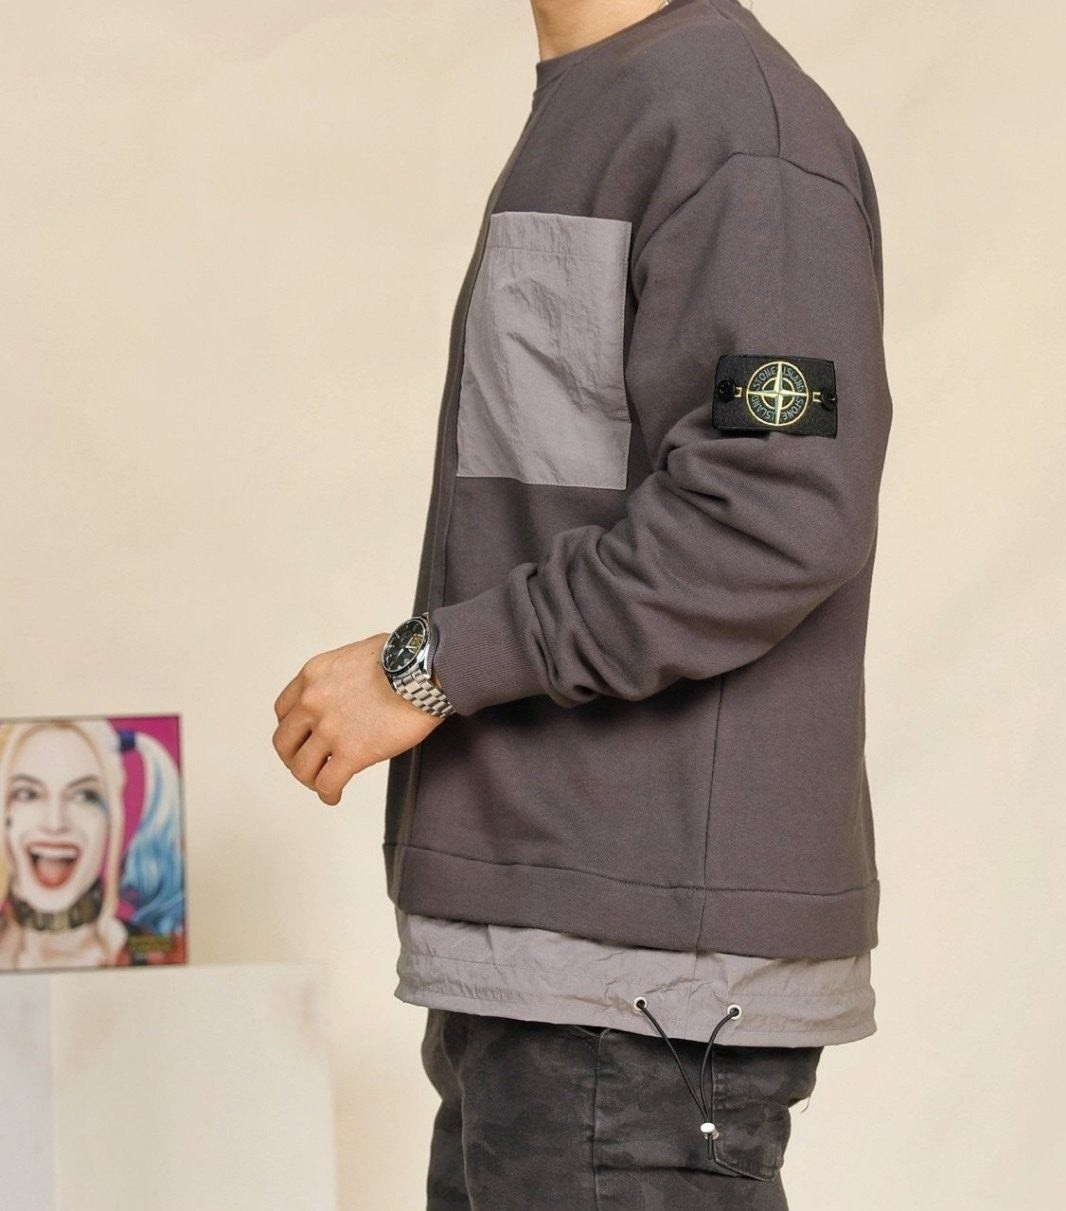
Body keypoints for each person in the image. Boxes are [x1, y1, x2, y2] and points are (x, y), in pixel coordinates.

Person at [272, 0, 893, 1204]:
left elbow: (773, 511)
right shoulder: (611, 102)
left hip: (637, 989)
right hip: (551, 968)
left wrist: (425, 666)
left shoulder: (729, 130)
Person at [0, 718, 186, 970]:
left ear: (111, 819)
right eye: (27, 794)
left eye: (84, 795)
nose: (55, 823)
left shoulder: (158, 954)